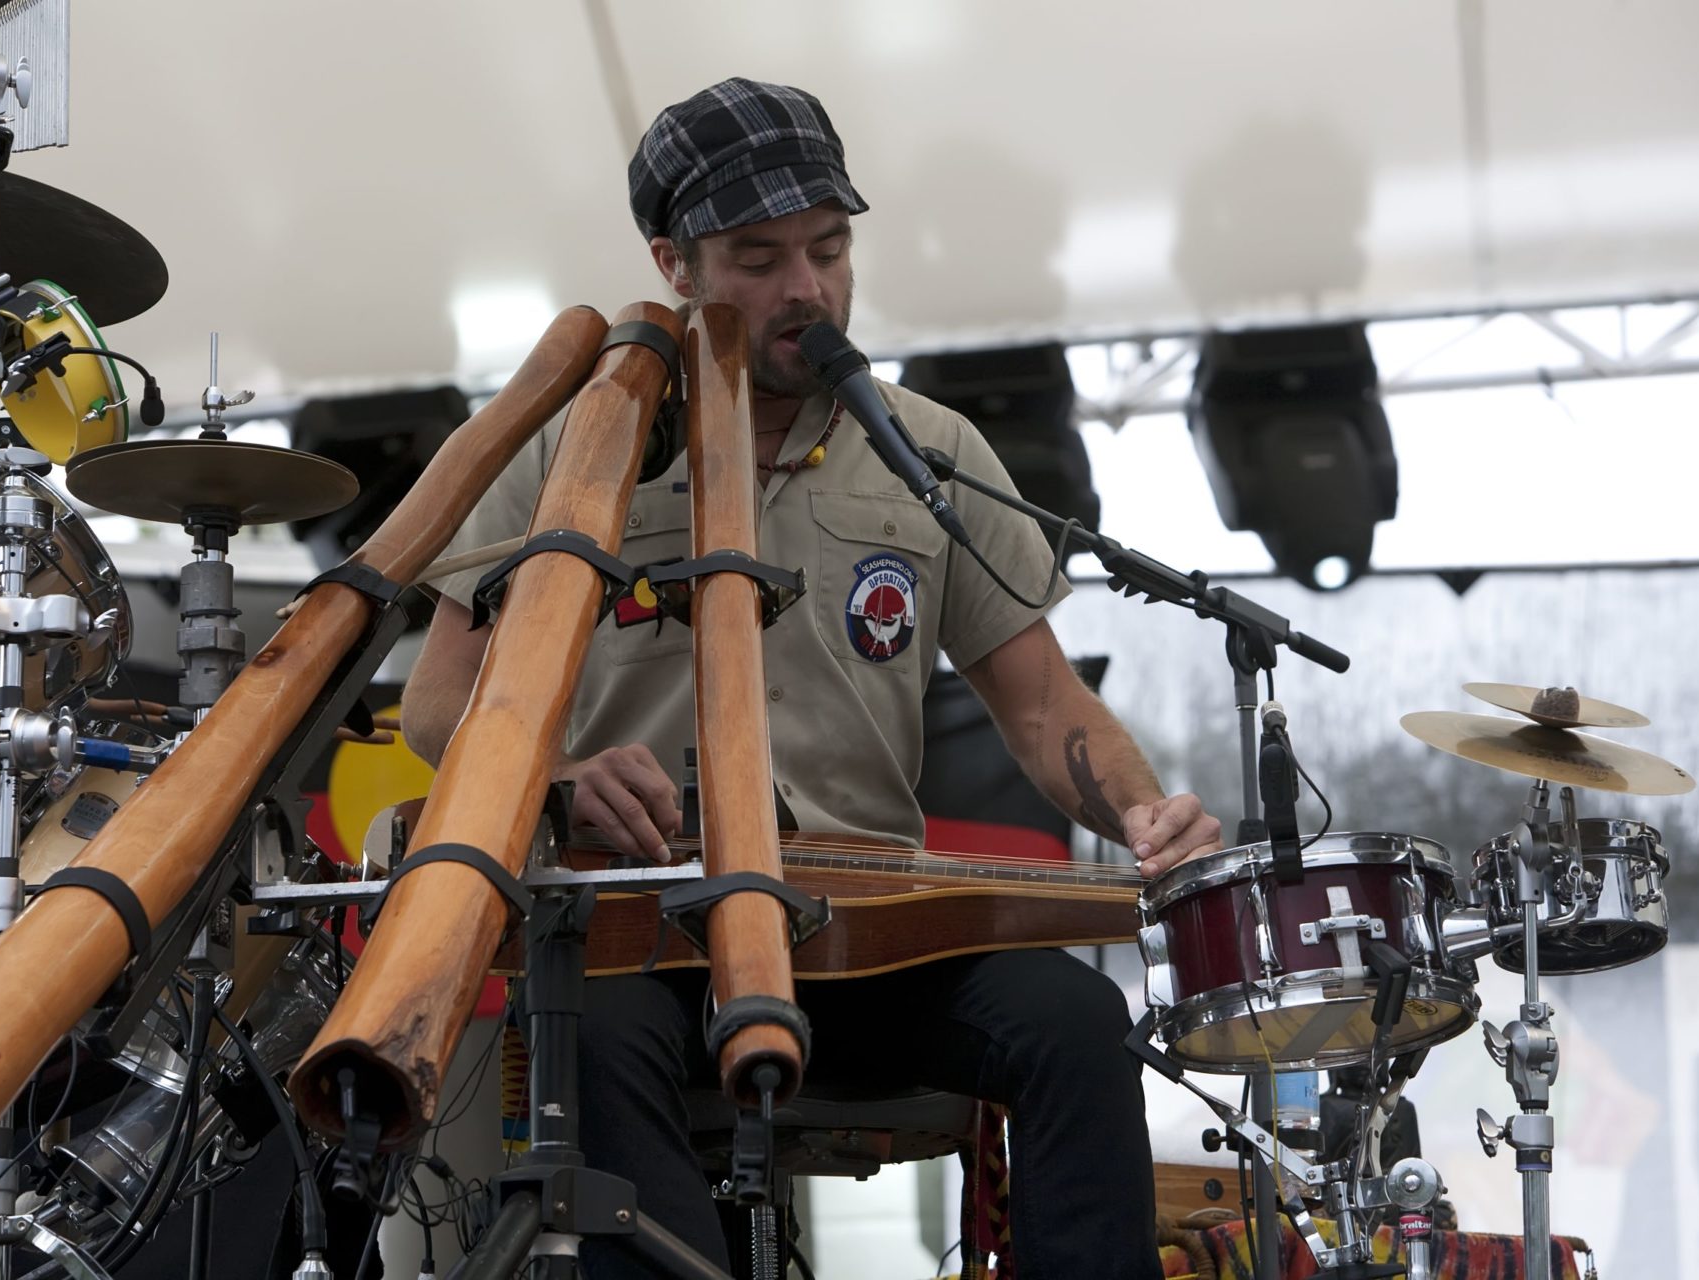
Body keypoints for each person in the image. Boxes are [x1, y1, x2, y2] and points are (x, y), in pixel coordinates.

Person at [403, 77, 1225, 1280]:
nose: (807, 288)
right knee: (593, 1035)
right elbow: (436, 705)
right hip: (649, 930)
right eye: (758, 257)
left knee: (1076, 1022)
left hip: (871, 931)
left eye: (830, 249)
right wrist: (564, 776)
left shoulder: (930, 449)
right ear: (672, 263)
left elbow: (1045, 707)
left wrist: (1140, 809)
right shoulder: (568, 448)